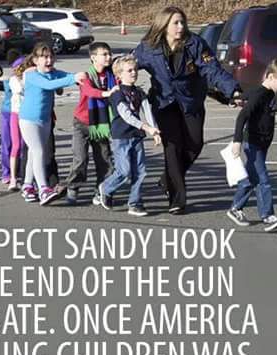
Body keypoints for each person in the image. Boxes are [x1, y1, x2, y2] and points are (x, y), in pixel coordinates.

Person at [134, 6, 241, 214]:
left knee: (194, 144)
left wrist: (233, 90)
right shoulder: (148, 47)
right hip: (164, 103)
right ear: (164, 25)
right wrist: (110, 78)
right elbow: (127, 65)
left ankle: (167, 180)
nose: (181, 27)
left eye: (182, 22)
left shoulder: (195, 44)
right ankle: (177, 199)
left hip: (190, 101)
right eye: (176, 23)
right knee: (172, 149)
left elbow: (213, 70)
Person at [18, 42, 86, 206]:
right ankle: (43, 189)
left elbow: (65, 76)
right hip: (28, 119)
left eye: (50, 57)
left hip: (45, 119)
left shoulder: (53, 72)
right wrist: (73, 78)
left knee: (35, 154)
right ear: (35, 60)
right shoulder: (32, 75)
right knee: (38, 150)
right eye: (44, 57)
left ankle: (27, 186)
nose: (48, 60)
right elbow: (49, 85)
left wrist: (80, 76)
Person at [97, 55, 161, 215]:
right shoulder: (117, 93)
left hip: (137, 136)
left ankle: (135, 203)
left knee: (140, 171)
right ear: (119, 74)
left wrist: (154, 130)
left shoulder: (139, 92)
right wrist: (146, 127)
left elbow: (147, 111)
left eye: (135, 70)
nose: (133, 73)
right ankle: (105, 188)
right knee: (124, 171)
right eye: (129, 70)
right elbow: (126, 115)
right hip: (121, 137)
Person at [226, 58, 277, 232]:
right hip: (253, 143)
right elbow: (242, 116)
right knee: (263, 180)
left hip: (262, 143)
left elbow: (246, 96)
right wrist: (237, 141)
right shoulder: (260, 93)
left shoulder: (269, 93)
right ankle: (268, 216)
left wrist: (237, 98)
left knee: (251, 179)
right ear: (271, 77)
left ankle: (235, 208)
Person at [64, 41, 117, 205]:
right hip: (82, 122)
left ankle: (101, 190)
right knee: (80, 158)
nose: (108, 57)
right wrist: (107, 93)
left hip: (100, 123)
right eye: (104, 54)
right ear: (93, 58)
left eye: (109, 54)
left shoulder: (112, 76)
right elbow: (89, 91)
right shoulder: (85, 76)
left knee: (104, 158)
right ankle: (73, 187)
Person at [7, 55, 28, 190]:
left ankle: (26, 176)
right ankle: (13, 178)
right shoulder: (13, 80)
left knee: (27, 146)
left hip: (28, 115)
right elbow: (19, 89)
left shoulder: (30, 78)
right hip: (16, 114)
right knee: (16, 146)